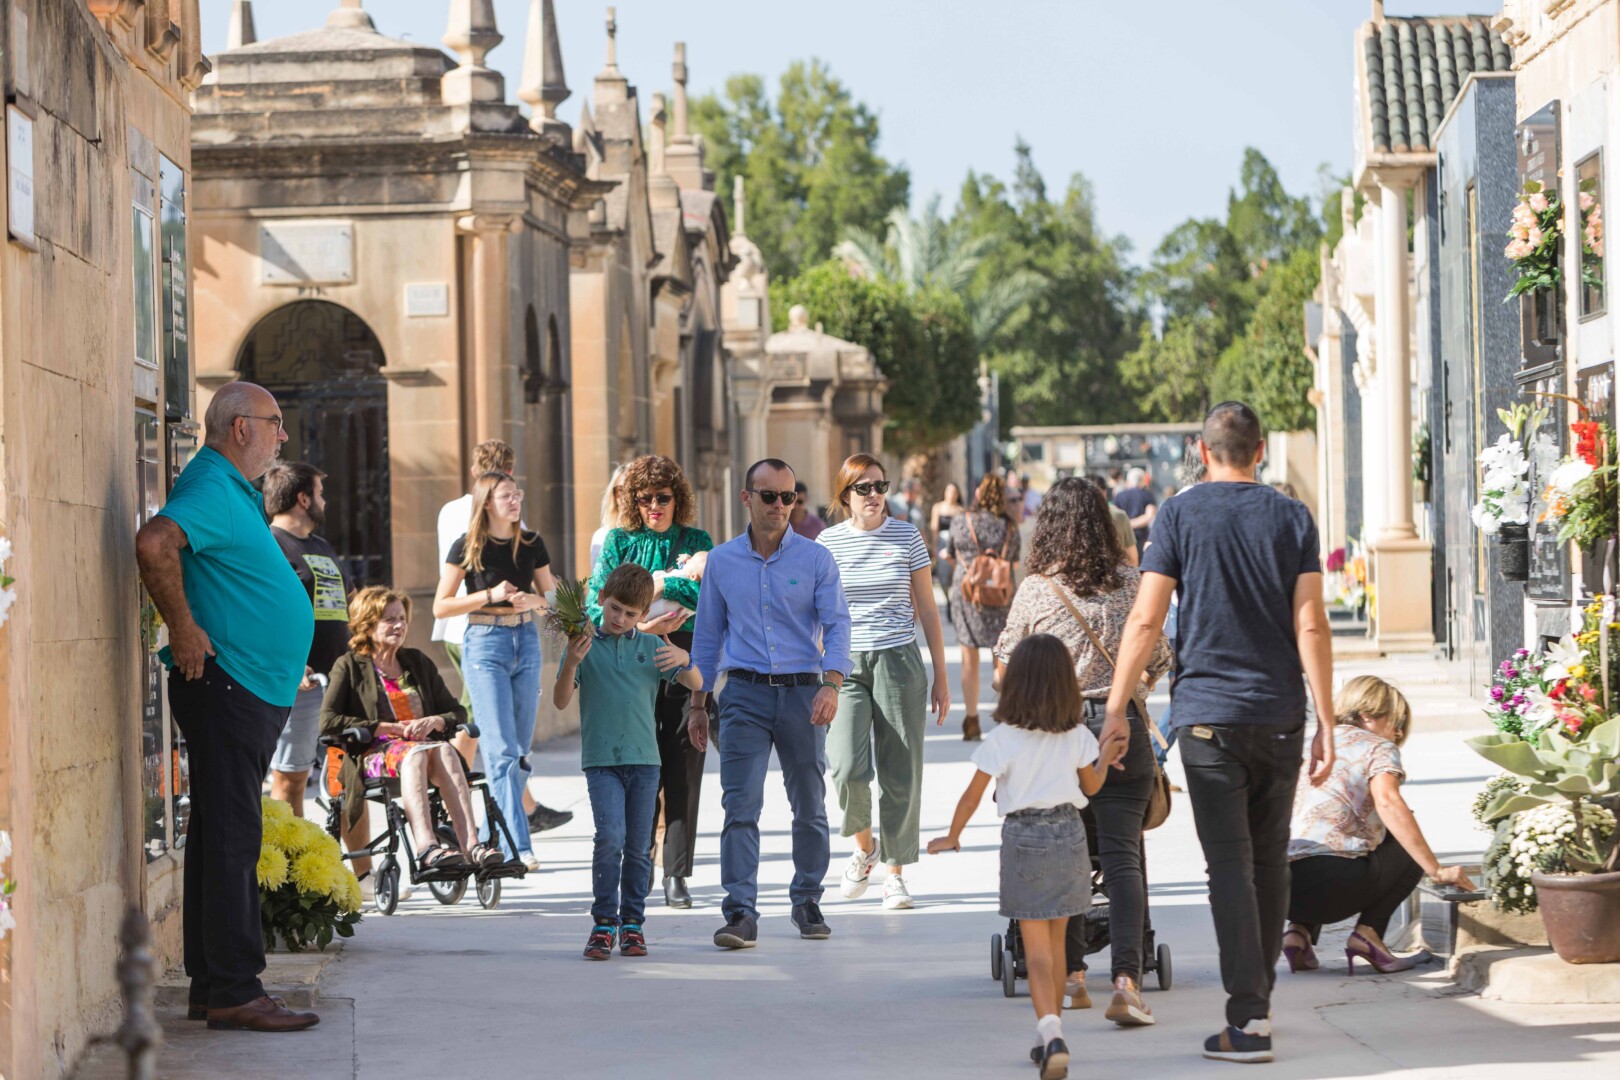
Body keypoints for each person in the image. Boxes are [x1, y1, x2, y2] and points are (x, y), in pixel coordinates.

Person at [1101, 401, 1335, 1065]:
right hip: (1280, 714)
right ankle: (1256, 1006)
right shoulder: (1293, 517)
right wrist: (1327, 719)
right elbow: (1311, 623)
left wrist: (1117, 707)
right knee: (1269, 860)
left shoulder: (1178, 515)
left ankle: (1249, 1017)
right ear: (1260, 450)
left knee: (1230, 866)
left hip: (1207, 718)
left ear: (1203, 453)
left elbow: (1145, 620)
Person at [134, 381, 320, 1032]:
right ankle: (238, 990)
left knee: (219, 834)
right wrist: (182, 627)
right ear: (240, 427)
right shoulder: (213, 484)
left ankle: (213, 986)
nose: (283, 435)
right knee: (234, 836)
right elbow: (155, 542)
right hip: (230, 685)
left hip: (243, 687)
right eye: (275, 422)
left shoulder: (231, 487)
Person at [994, 477, 1171, 1025]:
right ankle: (1127, 980)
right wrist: (1130, 689)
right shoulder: (1132, 583)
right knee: (1123, 856)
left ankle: (1072, 976)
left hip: (1058, 735)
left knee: (1069, 855)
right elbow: (1159, 658)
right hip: (1123, 729)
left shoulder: (1037, 590)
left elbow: (1003, 672)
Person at [928, 634, 1112, 1080]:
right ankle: (1052, 1035)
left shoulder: (1004, 738)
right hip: (1070, 835)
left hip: (1024, 837)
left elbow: (973, 795)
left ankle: (1050, 1033)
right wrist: (1106, 757)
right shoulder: (1076, 734)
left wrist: (952, 835)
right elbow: (1092, 787)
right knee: (1058, 945)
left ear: (1016, 685)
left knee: (1036, 951)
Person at [688, 458, 852, 949]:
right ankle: (740, 913)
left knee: (810, 805)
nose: (780, 505)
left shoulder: (816, 559)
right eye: (769, 496)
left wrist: (832, 684)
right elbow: (706, 638)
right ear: (747, 498)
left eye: (788, 496)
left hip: (805, 693)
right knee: (740, 805)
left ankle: (807, 900)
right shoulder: (721, 562)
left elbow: (838, 625)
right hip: (744, 694)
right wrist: (698, 704)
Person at [818, 454, 951, 910]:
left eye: (880, 486)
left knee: (901, 772)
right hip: (845, 665)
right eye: (863, 488)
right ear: (846, 495)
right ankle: (866, 848)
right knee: (845, 768)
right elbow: (817, 613)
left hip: (898, 660)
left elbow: (928, 609)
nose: (874, 495)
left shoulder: (906, 536)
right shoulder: (828, 543)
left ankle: (895, 873)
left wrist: (941, 676)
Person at [555, 565, 705, 959]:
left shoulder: (653, 648)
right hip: (601, 761)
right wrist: (571, 663)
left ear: (644, 614)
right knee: (610, 838)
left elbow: (697, 683)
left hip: (644, 762)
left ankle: (633, 924)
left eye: (631, 613)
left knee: (639, 846)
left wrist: (685, 659)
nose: (620, 618)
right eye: (615, 608)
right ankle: (604, 922)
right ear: (601, 598)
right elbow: (560, 700)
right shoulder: (584, 645)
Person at [586, 454, 714, 909]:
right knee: (642, 766)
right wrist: (644, 619)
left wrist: (661, 586)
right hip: (632, 656)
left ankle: (677, 871)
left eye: (663, 497)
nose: (654, 506)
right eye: (644, 499)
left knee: (684, 763)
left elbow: (709, 593)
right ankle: (640, 859)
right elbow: (598, 598)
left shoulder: (697, 540)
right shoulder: (619, 540)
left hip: (682, 652)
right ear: (632, 501)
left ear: (678, 499)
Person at [1285, 677, 1475, 974]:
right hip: (1333, 886)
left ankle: (1298, 933)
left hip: (1280, 891)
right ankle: (1368, 934)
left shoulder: (1316, 743)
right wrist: (1436, 870)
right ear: (1366, 716)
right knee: (1405, 843)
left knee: (1320, 839)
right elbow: (1388, 803)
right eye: (1396, 723)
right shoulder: (1377, 747)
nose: (1398, 733)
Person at [432, 439, 572, 833]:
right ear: (486, 494)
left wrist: (539, 601)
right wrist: (490, 596)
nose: (514, 499)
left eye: (516, 491)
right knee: (495, 740)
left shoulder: (526, 540)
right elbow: (444, 599)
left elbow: (552, 598)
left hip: (520, 636)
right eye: (506, 491)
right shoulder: (468, 536)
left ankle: (499, 817)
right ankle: (483, 818)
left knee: (511, 744)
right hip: (478, 637)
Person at [323, 587, 499, 872]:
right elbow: (329, 720)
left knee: (445, 750)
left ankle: (472, 846)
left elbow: (456, 711)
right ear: (367, 624)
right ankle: (427, 847)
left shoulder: (416, 662)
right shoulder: (349, 666)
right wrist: (384, 727)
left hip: (423, 749)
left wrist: (435, 721)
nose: (399, 625)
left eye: (402, 619)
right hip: (373, 754)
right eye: (389, 619)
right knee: (416, 755)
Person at [264, 462, 349, 820]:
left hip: (338, 682)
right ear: (303, 498)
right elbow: (261, 611)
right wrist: (289, 662)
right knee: (291, 778)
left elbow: (349, 600)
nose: (324, 501)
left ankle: (356, 860)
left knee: (346, 782)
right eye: (320, 493)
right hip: (301, 683)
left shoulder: (320, 545)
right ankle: (290, 854)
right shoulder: (268, 544)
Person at [949, 473, 1022, 741]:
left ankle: (972, 721)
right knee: (1000, 655)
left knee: (969, 658)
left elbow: (951, 553)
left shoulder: (961, 520)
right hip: (1001, 593)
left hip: (968, 593)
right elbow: (1014, 561)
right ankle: (1003, 717)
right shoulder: (1008, 525)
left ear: (978, 493)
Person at [929, 481, 967, 621]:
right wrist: (934, 547)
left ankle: (954, 602)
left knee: (955, 575)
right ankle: (948, 600)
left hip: (955, 546)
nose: (951, 494)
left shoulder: (960, 510)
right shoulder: (938, 508)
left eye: (954, 492)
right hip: (942, 544)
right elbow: (934, 529)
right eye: (949, 491)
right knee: (943, 577)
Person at [1088, 475, 1138, 568]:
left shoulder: (1074, 517)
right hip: (1117, 573)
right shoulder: (1119, 515)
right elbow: (1133, 559)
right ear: (1104, 492)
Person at [1112, 467, 1158, 550]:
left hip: (1124, 537)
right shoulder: (1148, 494)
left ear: (1128, 481)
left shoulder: (1119, 496)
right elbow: (1150, 515)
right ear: (1142, 480)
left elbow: (1114, 516)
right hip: (1142, 537)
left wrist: (1127, 524)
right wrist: (1133, 523)